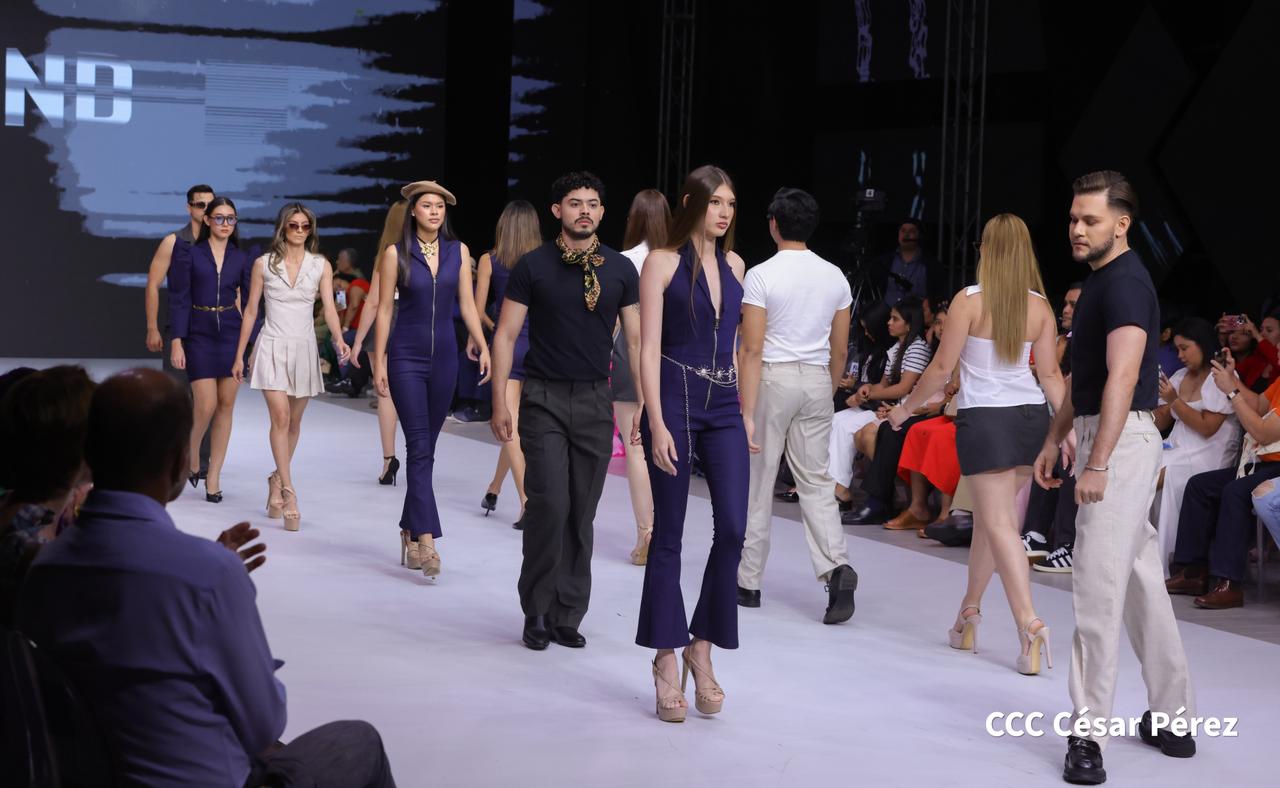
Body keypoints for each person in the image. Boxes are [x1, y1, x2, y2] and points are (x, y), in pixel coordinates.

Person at [16, 368, 394, 787]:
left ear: (89, 456)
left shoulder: (43, 567)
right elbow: (264, 723)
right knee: (359, 741)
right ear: (181, 462)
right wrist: (218, 588)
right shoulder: (208, 577)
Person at [1032, 171, 1195, 784]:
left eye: (1090, 220)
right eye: (1073, 218)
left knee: (1097, 592)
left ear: (1122, 224)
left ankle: (1088, 736)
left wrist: (1097, 461)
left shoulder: (1124, 283)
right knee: (1141, 582)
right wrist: (1056, 437)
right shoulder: (1105, 280)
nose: (1076, 229)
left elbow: (1125, 378)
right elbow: (1089, 376)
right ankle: (1174, 719)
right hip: (1113, 435)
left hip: (1119, 443)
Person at [891, 212, 1065, 679]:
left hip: (986, 420)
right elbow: (1050, 376)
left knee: (1000, 524)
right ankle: (968, 613)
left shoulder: (968, 300)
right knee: (993, 522)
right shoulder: (1040, 306)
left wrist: (904, 410)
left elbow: (940, 369)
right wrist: (1065, 431)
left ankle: (1029, 623)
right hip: (1030, 419)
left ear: (986, 250)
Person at [489, 171, 641, 651]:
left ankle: (567, 613)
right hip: (544, 398)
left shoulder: (620, 269)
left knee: (581, 512)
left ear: (602, 211)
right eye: (575, 203)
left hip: (596, 398)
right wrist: (499, 399)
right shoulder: (533, 265)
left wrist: (645, 404)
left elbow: (637, 341)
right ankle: (536, 608)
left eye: (593, 204)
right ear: (557, 210)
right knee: (549, 505)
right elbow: (505, 335)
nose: (584, 211)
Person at [633, 166, 747, 722]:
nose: (723, 212)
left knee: (735, 529)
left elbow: (738, 347)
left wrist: (746, 414)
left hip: (724, 406)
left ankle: (701, 646)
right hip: (674, 400)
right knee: (669, 535)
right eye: (714, 202)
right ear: (691, 203)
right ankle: (664, 656)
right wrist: (654, 422)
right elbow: (647, 347)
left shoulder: (736, 265)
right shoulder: (661, 261)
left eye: (730, 204)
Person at [734, 187, 858, 626]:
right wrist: (826, 388)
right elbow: (840, 349)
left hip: (772, 376)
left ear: (773, 224)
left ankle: (748, 582)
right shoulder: (835, 277)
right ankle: (836, 566)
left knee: (759, 478)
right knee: (817, 482)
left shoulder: (761, 275)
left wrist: (746, 409)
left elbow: (751, 349)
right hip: (817, 378)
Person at [372, 182, 490, 576]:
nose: (435, 211)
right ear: (413, 211)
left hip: (445, 362)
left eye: (440, 206)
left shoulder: (459, 251)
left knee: (426, 450)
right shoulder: (396, 253)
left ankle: (409, 529)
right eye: (427, 205)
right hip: (405, 357)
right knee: (419, 446)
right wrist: (379, 360)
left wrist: (481, 343)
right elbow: (385, 310)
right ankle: (427, 539)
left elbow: (467, 304)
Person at [232, 203, 352, 532]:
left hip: (303, 348)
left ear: (311, 230)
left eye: (305, 226)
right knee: (281, 418)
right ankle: (289, 492)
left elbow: (330, 308)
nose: (299, 231)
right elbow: (252, 311)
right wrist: (241, 354)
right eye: (293, 225)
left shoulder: (320, 265)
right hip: (271, 344)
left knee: (295, 423)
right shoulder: (263, 264)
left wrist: (339, 339)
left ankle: (275, 478)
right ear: (282, 228)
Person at [1165, 354, 1280, 608]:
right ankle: (1192, 571)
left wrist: (1232, 393)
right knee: (1199, 486)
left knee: (1235, 491)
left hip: (1277, 467)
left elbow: (1262, 432)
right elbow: (1259, 404)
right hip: (1264, 463)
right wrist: (1231, 379)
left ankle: (1229, 583)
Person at [167, 196, 253, 503]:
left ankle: (213, 476)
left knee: (226, 405)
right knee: (205, 403)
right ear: (207, 220)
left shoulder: (241, 258)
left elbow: (250, 304)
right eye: (219, 218)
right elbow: (179, 298)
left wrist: (249, 345)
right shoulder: (189, 253)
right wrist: (177, 340)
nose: (225, 224)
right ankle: (192, 454)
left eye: (231, 218)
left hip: (230, 331)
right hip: (198, 332)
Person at [1153, 317, 1241, 574]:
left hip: (1209, 452)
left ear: (1202, 344)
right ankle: (1139, 552)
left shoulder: (1221, 376)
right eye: (1177, 349)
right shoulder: (1180, 376)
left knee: (1161, 474)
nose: (1180, 355)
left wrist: (1174, 400)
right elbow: (1162, 420)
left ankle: (1166, 558)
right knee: (1139, 465)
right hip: (1176, 445)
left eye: (1185, 348)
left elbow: (1207, 427)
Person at [474, 200, 541, 526]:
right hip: (540, 347)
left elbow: (477, 310)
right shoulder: (543, 261)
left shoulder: (489, 260)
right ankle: (495, 488)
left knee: (510, 423)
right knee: (515, 423)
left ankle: (528, 501)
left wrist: (492, 331)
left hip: (509, 346)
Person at [614, 189, 669, 562]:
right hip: (671, 357)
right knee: (665, 448)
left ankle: (645, 534)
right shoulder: (678, 259)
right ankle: (664, 533)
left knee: (635, 448)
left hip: (630, 355)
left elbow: (613, 324)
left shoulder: (623, 262)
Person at [349, 201, 407, 484]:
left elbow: (373, 302)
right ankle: (420, 457)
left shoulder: (388, 253)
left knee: (385, 392)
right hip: (415, 321)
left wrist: (358, 341)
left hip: (387, 319)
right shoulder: (426, 254)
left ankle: (389, 459)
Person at [145, 184, 214, 354]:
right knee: (177, 372)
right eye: (200, 205)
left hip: (216, 327)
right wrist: (152, 329)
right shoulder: (172, 242)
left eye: (210, 205)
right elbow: (153, 284)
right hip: (180, 329)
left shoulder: (223, 243)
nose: (206, 209)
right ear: (189, 207)